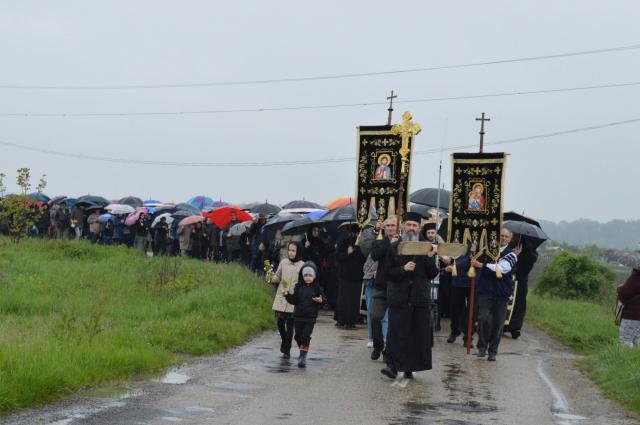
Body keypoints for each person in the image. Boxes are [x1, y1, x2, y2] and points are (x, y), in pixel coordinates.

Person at [381, 212, 439, 380]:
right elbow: (388, 272)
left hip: (418, 297)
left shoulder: (426, 247)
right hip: (399, 297)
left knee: (416, 334)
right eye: (409, 225)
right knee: (396, 332)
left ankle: (409, 367)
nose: (412, 228)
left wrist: (429, 257)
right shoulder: (394, 247)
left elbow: (432, 273)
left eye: (415, 225)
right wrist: (403, 269)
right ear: (403, 226)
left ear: (419, 228)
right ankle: (392, 366)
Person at [471, 227, 518, 361]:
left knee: (498, 324)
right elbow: (473, 260)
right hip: (485, 291)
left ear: (510, 239)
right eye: (501, 236)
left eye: (506, 236)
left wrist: (482, 265)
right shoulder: (486, 251)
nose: (503, 238)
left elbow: (502, 269)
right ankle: (482, 347)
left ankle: (493, 351)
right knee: (483, 319)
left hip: (501, 294)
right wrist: (473, 252)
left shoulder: (511, 255)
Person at [284, 261, 325, 368]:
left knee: (305, 336)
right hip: (298, 316)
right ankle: (302, 349)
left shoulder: (317, 288)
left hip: (310, 318)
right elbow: (293, 300)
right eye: (305, 275)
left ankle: (302, 356)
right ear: (302, 276)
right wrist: (287, 295)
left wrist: (321, 300)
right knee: (298, 336)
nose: (307, 277)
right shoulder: (298, 287)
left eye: (310, 275)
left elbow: (323, 300)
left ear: (314, 276)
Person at [269, 241, 304, 359]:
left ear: (298, 251)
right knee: (279, 323)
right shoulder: (283, 262)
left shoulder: (302, 265)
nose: (291, 253)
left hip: (293, 298)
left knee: (290, 325)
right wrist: (270, 277)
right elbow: (277, 276)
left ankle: (287, 349)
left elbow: (304, 282)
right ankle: (284, 340)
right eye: (289, 250)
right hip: (281, 295)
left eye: (293, 250)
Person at [369, 216, 396, 362]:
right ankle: (378, 345)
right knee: (375, 317)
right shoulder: (380, 240)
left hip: (396, 286)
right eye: (388, 226)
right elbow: (375, 255)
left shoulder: (402, 242)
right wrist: (389, 244)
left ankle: (388, 350)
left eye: (393, 225)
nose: (391, 228)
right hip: (381, 285)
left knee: (394, 321)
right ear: (384, 227)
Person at [505, 234, 539, 339]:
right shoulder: (510, 247)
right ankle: (504, 326)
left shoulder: (529, 252)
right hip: (508, 280)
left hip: (520, 283)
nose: (514, 237)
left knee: (518, 306)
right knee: (506, 304)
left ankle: (514, 328)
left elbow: (526, 265)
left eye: (517, 236)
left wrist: (517, 256)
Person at [334, 224, 365, 329]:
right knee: (344, 298)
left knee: (355, 300)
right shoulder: (344, 240)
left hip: (357, 275)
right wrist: (347, 253)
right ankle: (341, 320)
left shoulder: (362, 242)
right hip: (345, 274)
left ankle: (351, 321)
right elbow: (338, 256)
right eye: (356, 233)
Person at [442, 247, 474, 345]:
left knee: (471, 312)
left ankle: (468, 337)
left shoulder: (479, 242)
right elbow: (454, 258)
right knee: (455, 309)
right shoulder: (459, 241)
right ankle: (454, 331)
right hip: (457, 282)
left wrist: (454, 266)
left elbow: (469, 261)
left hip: (472, 283)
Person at [359, 222, 379, 348]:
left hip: (390, 275)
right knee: (372, 308)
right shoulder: (369, 232)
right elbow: (365, 247)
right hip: (371, 275)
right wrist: (375, 231)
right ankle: (372, 337)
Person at [617, 266, 640, 347]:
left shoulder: (636, 278)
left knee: (625, 340)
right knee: (637, 340)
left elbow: (625, 292)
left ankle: (623, 359)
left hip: (632, 314)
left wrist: (619, 288)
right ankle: (635, 358)